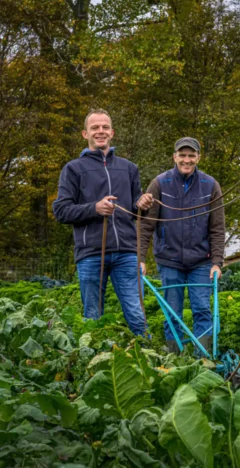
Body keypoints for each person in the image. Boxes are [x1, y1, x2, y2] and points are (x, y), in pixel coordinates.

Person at [52, 109, 154, 336]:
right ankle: (93, 357)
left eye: (105, 127)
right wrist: (94, 208)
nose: (101, 131)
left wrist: (142, 204)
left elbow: (135, 211)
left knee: (137, 315)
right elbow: (61, 211)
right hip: (91, 254)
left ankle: (147, 353)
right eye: (95, 128)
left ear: (112, 132)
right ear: (85, 134)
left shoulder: (129, 168)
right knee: (93, 317)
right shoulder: (73, 169)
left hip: (126, 253)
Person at [139, 137, 225, 354]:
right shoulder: (160, 184)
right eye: (182, 155)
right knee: (172, 312)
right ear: (174, 157)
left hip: (201, 261)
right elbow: (146, 225)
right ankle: (175, 359)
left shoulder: (210, 185)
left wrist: (217, 262)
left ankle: (202, 359)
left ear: (198, 158)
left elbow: (217, 228)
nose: (187, 160)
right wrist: (140, 258)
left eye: (191, 155)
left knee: (202, 310)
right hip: (169, 260)